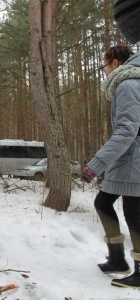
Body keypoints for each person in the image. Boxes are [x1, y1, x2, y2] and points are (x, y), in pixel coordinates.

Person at [81, 0, 140, 288]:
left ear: (115, 63)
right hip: (126, 160)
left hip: (133, 160)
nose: (104, 70)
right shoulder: (130, 81)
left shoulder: (128, 84)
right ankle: (117, 257)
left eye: (105, 65)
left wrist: (95, 164)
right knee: (103, 202)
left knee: (134, 212)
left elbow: (128, 130)